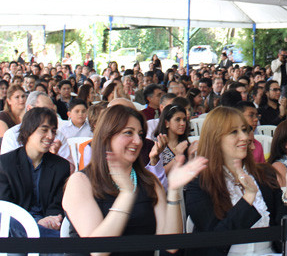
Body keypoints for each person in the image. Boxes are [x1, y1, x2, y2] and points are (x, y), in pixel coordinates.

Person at [63, 104, 207, 255]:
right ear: (106, 135)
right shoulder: (80, 182)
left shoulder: (147, 180)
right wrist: (126, 195)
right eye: (128, 133)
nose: (138, 141)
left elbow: (170, 245)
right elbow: (98, 250)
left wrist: (173, 190)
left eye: (140, 134)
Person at [185, 107, 287, 256]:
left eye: (244, 130)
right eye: (234, 132)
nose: (245, 137)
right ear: (215, 138)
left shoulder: (263, 174)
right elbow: (215, 241)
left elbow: (284, 233)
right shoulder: (200, 184)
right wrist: (248, 198)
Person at [0, 107, 70, 237]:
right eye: (44, 130)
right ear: (28, 131)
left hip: (48, 225)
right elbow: (6, 206)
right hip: (14, 225)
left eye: (53, 131)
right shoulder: (5, 163)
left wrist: (48, 220)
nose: (50, 136)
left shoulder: (61, 166)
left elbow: (57, 204)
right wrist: (34, 224)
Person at [154, 104, 191, 173]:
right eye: (178, 119)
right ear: (166, 123)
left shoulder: (185, 143)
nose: (183, 123)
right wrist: (177, 157)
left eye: (184, 120)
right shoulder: (157, 144)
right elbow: (158, 173)